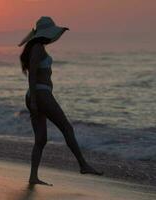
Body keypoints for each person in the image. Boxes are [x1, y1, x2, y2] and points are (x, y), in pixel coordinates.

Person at [19, 16, 103, 186]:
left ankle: (33, 177)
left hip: (37, 95)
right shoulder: (37, 48)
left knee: (41, 139)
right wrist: (35, 101)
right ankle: (83, 165)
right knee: (66, 127)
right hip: (41, 94)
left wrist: (33, 100)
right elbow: (33, 75)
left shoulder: (37, 47)